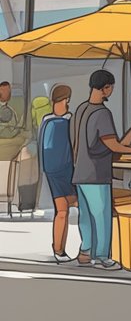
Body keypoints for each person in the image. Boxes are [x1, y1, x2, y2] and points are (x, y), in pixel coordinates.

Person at [72, 70, 131, 270]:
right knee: (101, 215)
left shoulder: (80, 110)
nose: (112, 91)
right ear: (106, 87)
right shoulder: (102, 113)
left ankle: (85, 252)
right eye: (111, 88)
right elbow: (115, 146)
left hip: (80, 171)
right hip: (97, 172)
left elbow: (114, 143)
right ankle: (102, 255)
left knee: (86, 216)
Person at [39, 85, 76, 263]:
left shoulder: (47, 121)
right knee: (64, 210)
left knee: (62, 211)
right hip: (61, 170)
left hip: (58, 169)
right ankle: (59, 250)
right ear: (65, 99)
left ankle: (59, 250)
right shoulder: (67, 120)